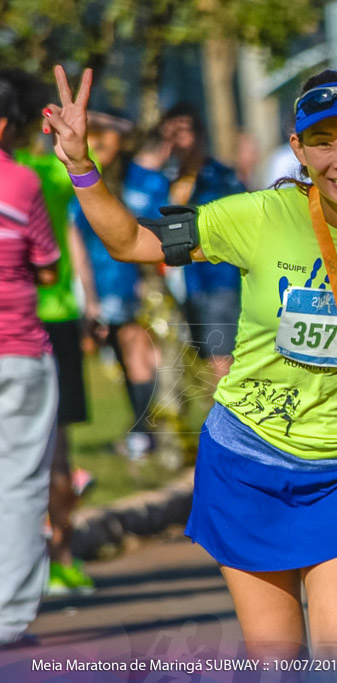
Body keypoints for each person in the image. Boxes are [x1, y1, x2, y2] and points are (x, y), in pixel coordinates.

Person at [44, 65, 337, 660]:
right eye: (323, 142)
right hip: (249, 464)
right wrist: (81, 165)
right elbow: (130, 243)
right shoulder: (256, 216)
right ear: (298, 148)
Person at [16, 133, 97, 595]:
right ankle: (62, 559)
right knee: (58, 449)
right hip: (57, 315)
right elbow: (72, 231)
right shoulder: (47, 172)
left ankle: (32, 565)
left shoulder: (21, 173)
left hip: (25, 317)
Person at [0, 67, 61, 649]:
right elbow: (47, 264)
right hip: (17, 348)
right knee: (17, 483)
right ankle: (7, 620)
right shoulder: (20, 183)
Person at [69, 108, 161, 461]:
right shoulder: (93, 183)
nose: (98, 140)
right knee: (126, 359)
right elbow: (76, 237)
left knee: (139, 355)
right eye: (94, 134)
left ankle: (142, 435)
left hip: (139, 284)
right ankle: (142, 431)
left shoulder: (143, 179)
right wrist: (89, 294)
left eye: (106, 134)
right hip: (106, 285)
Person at [160, 103, 247, 385]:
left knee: (220, 359)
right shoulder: (164, 180)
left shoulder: (221, 177)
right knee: (193, 363)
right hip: (182, 283)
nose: (176, 141)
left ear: (200, 135)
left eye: (182, 133)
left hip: (217, 281)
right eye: (169, 134)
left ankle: (226, 424)